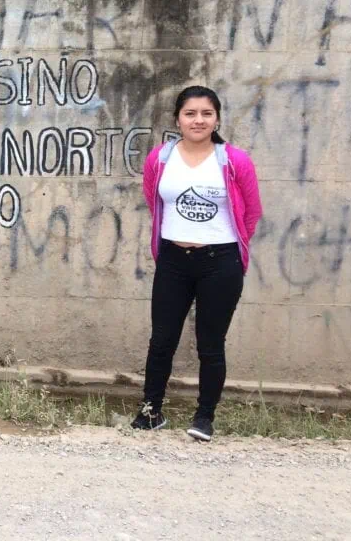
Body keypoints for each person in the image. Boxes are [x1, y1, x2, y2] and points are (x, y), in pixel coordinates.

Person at [132, 85, 262, 441]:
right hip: (174, 260)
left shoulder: (235, 161)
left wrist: (230, 249)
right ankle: (150, 411)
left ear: (217, 118)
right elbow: (153, 199)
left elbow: (250, 214)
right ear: (177, 119)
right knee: (162, 339)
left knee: (210, 343)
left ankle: (204, 417)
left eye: (206, 113)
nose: (198, 120)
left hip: (220, 261)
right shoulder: (160, 158)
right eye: (190, 113)